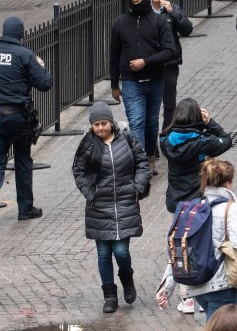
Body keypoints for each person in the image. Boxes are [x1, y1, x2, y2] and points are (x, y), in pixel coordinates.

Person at [72, 102, 152, 313]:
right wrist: (90, 193)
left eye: (104, 123)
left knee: (121, 250)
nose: (100, 128)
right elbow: (78, 171)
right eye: (96, 124)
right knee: (103, 253)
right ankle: (109, 295)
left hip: (125, 203)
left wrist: (137, 187)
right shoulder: (87, 144)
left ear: (111, 122)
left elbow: (143, 162)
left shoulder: (126, 138)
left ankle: (127, 279)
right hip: (99, 207)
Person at [0, 16, 53, 229]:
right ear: (21, 34)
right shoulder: (26, 55)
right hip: (18, 116)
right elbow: (45, 84)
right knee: (22, 159)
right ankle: (25, 208)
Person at [155, 159, 237, 322]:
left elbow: (180, 250)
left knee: (213, 323)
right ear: (228, 183)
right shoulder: (231, 208)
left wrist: (167, 287)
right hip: (222, 284)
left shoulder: (192, 210)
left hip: (197, 286)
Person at [158, 98, 232, 314]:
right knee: (201, 244)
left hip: (176, 202)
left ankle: (186, 298)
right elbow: (226, 140)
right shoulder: (202, 140)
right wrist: (209, 123)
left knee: (182, 245)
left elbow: (164, 135)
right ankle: (202, 290)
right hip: (199, 201)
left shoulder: (165, 141)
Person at [110, 0, 177, 173]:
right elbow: (114, 55)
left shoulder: (159, 22)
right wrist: (115, 84)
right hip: (131, 82)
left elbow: (170, 50)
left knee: (151, 121)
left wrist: (145, 62)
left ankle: (149, 156)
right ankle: (140, 163)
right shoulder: (120, 24)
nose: (135, 0)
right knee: (136, 121)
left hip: (155, 80)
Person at [148, 0, 195, 133]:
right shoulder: (144, 11)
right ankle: (151, 142)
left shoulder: (172, 8)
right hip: (151, 64)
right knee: (151, 104)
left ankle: (165, 136)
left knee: (169, 103)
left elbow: (187, 29)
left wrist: (173, 12)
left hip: (169, 64)